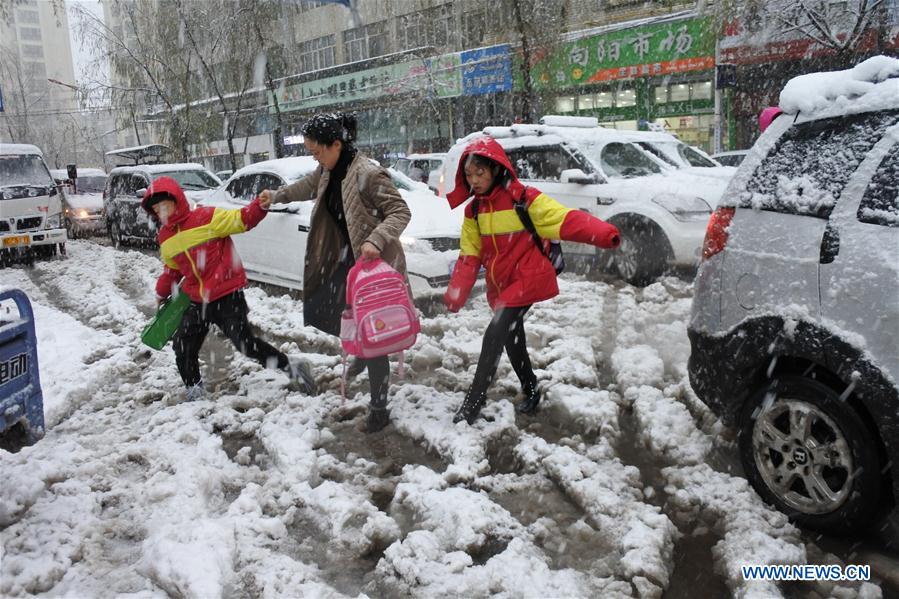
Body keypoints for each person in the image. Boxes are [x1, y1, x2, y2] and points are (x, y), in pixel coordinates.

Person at [443, 137, 622, 424]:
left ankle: (473, 403)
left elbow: (565, 219)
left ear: (496, 169)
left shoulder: (523, 199)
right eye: (469, 175)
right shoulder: (473, 211)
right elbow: (469, 255)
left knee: (495, 333)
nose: (474, 180)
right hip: (502, 285)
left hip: (528, 279)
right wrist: (456, 293)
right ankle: (530, 388)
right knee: (512, 337)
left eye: (480, 173)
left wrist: (604, 234)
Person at [259, 113, 411, 433]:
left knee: (375, 335)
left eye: (318, 152)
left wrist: (376, 239)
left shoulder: (367, 175)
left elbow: (400, 211)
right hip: (345, 263)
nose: (316, 158)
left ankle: (379, 407)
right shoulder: (329, 170)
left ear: (337, 145)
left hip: (373, 268)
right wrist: (276, 197)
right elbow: (306, 186)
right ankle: (362, 355)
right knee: (326, 310)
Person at [142, 176, 314, 401]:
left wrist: (259, 205)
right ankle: (195, 392)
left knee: (246, 345)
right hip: (196, 300)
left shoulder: (207, 217)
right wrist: (161, 292)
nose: (161, 213)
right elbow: (171, 269)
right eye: (156, 210)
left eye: (164, 206)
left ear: (177, 200)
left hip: (227, 295)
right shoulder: (165, 237)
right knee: (183, 347)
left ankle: (293, 366)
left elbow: (242, 219)